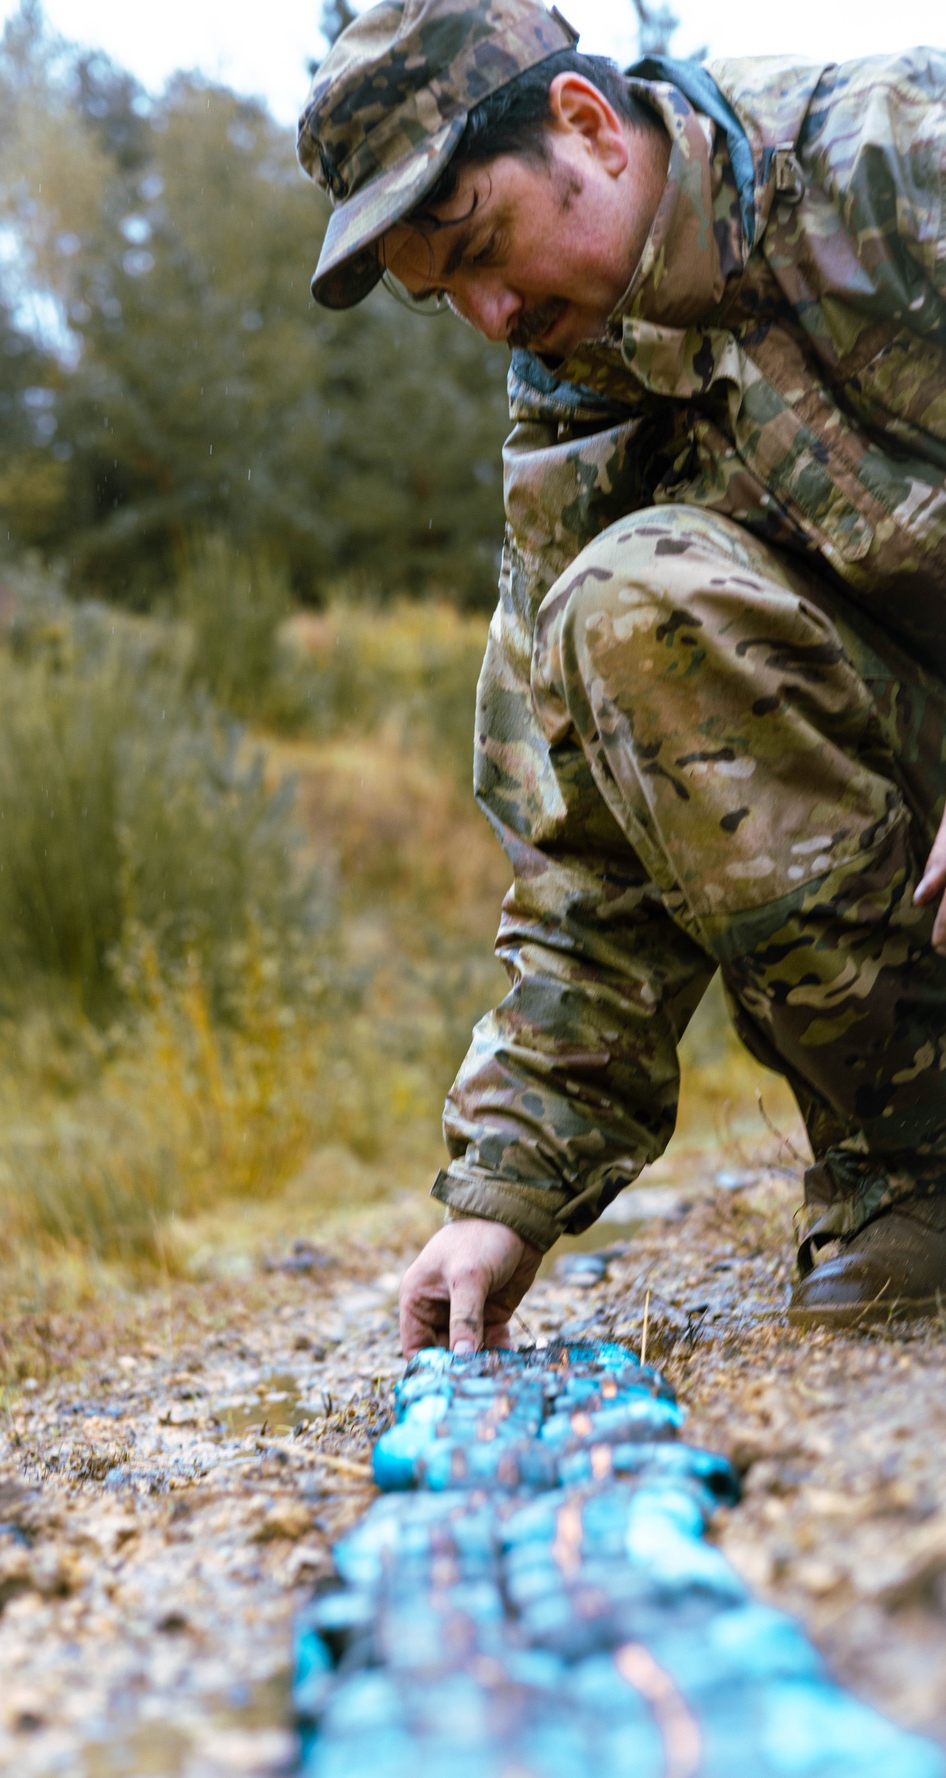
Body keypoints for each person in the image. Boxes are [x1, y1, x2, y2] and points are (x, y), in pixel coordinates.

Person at [298, 0, 946, 1353]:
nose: (492, 317)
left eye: (482, 247)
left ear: (589, 125)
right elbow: (587, 840)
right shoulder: (573, 415)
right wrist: (505, 1190)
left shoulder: (900, 154)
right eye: (446, 298)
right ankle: (923, 1152)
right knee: (625, 602)